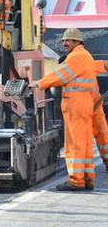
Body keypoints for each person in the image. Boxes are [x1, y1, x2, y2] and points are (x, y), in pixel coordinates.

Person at [30, 28, 97, 191]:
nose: (65, 43)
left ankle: (76, 181)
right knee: (85, 142)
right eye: (64, 41)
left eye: (69, 41)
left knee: (74, 143)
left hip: (76, 104)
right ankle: (87, 178)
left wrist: (39, 83)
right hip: (84, 104)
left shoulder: (76, 57)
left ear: (78, 42)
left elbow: (59, 75)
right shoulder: (85, 56)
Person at [59, 55, 108, 174]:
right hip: (79, 112)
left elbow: (105, 63)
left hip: (95, 107)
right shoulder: (62, 74)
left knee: (102, 134)